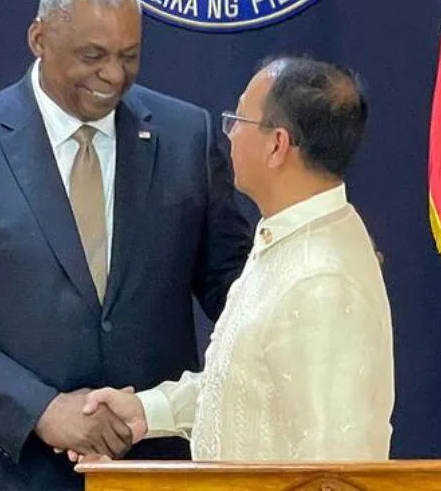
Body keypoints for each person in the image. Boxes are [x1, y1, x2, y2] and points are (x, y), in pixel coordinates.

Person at [0, 0, 252, 489]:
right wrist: (40, 409)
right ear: (39, 38)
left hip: (151, 469)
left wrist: (299, 277)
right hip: (9, 471)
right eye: (92, 55)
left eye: (129, 56)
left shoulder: (186, 137)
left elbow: (236, 293)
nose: (113, 75)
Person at [81, 56, 395, 462]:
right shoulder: (285, 239)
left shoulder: (322, 281)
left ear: (277, 145)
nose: (228, 135)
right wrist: (145, 410)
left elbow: (333, 468)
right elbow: (244, 388)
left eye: (238, 121)